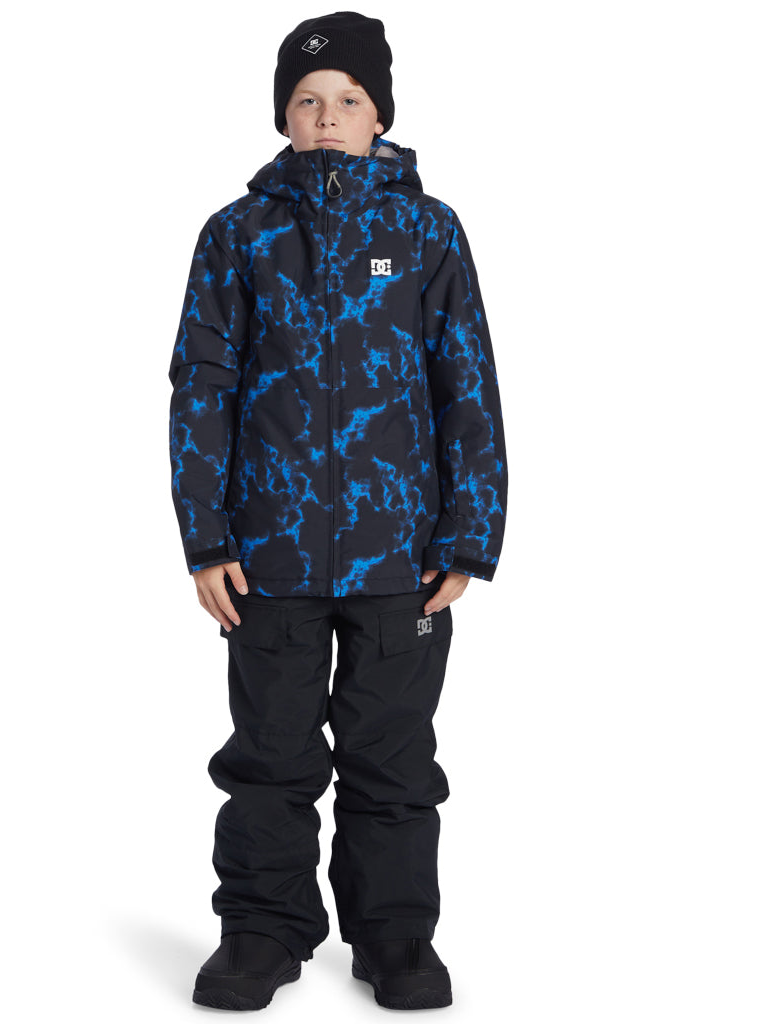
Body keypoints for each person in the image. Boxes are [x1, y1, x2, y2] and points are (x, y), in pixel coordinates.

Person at [168, 11, 507, 1011]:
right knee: (269, 756)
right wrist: (206, 539)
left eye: (348, 100)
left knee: (391, 756)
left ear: (379, 116)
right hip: (266, 555)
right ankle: (260, 929)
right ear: (283, 115)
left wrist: (468, 537)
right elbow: (202, 389)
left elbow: (466, 385)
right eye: (307, 100)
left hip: (400, 555)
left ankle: (396, 936)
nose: (327, 116)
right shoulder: (237, 235)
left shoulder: (427, 231)